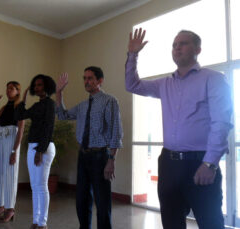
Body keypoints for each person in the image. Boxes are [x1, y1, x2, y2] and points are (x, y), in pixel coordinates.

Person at [125, 28, 233, 229]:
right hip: (169, 164)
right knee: (171, 222)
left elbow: (221, 122)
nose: (176, 48)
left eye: (182, 43)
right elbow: (132, 85)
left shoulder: (214, 79)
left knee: (210, 223)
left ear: (198, 49)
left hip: (200, 164)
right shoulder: (164, 84)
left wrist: (210, 164)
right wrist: (133, 55)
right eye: (174, 45)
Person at [56, 67, 123, 229]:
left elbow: (116, 132)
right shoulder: (82, 105)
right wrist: (59, 93)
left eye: (90, 78)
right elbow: (63, 116)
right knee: (82, 199)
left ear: (100, 81)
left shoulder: (109, 101)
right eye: (84, 78)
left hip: (100, 156)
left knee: (102, 201)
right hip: (83, 156)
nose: (86, 82)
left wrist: (111, 160)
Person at [15, 74, 56, 229]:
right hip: (33, 147)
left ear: (46, 86)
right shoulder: (37, 105)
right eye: (35, 85)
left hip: (43, 148)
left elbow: (48, 128)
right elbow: (19, 115)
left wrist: (40, 150)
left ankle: (43, 222)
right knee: (34, 186)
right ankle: (35, 221)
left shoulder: (50, 105)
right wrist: (23, 99)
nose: (37, 87)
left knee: (41, 185)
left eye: (40, 85)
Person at [0, 81, 25, 222]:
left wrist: (14, 150)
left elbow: (21, 129)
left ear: (17, 91)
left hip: (12, 138)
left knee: (10, 174)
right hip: (1, 137)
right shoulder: (4, 107)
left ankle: (11, 208)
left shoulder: (20, 107)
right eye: (7, 88)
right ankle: (1, 205)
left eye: (12, 88)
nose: (8, 90)